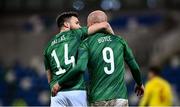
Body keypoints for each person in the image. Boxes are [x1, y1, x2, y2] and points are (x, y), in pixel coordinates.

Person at [58, 10, 144, 106]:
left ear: (92, 24)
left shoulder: (86, 44)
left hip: (98, 98)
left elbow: (80, 68)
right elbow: (134, 66)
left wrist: (61, 83)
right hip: (119, 98)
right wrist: (139, 83)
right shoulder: (119, 41)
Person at [43, 11, 114, 107]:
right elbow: (105, 25)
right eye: (77, 23)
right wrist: (115, 42)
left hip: (57, 94)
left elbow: (49, 78)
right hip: (76, 90)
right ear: (66, 24)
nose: (80, 26)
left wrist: (56, 86)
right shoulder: (76, 34)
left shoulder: (48, 47)